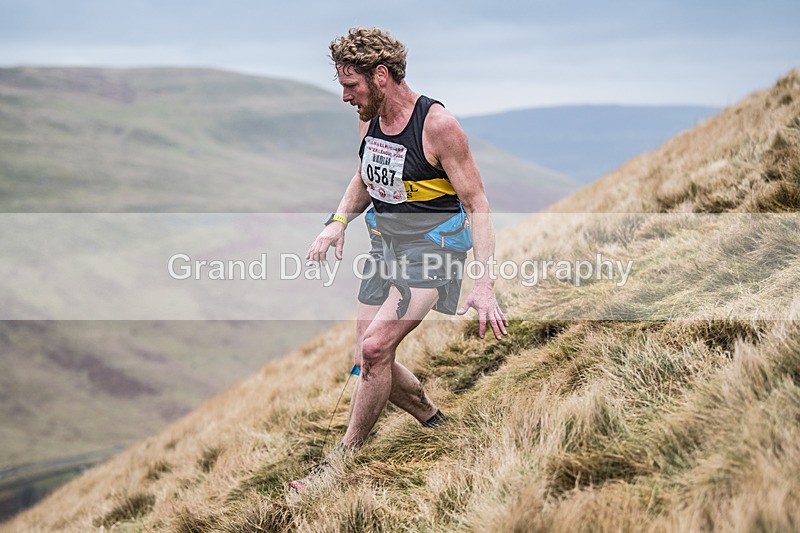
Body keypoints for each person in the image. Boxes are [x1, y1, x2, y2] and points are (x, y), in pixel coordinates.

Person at [291, 27, 508, 492]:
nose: (346, 96)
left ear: (381, 76)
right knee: (368, 358)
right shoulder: (368, 118)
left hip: (435, 252)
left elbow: (478, 204)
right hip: (384, 249)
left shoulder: (438, 126)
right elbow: (365, 175)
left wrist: (484, 284)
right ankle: (435, 422)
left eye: (351, 85)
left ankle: (340, 464)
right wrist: (338, 221)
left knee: (374, 349)